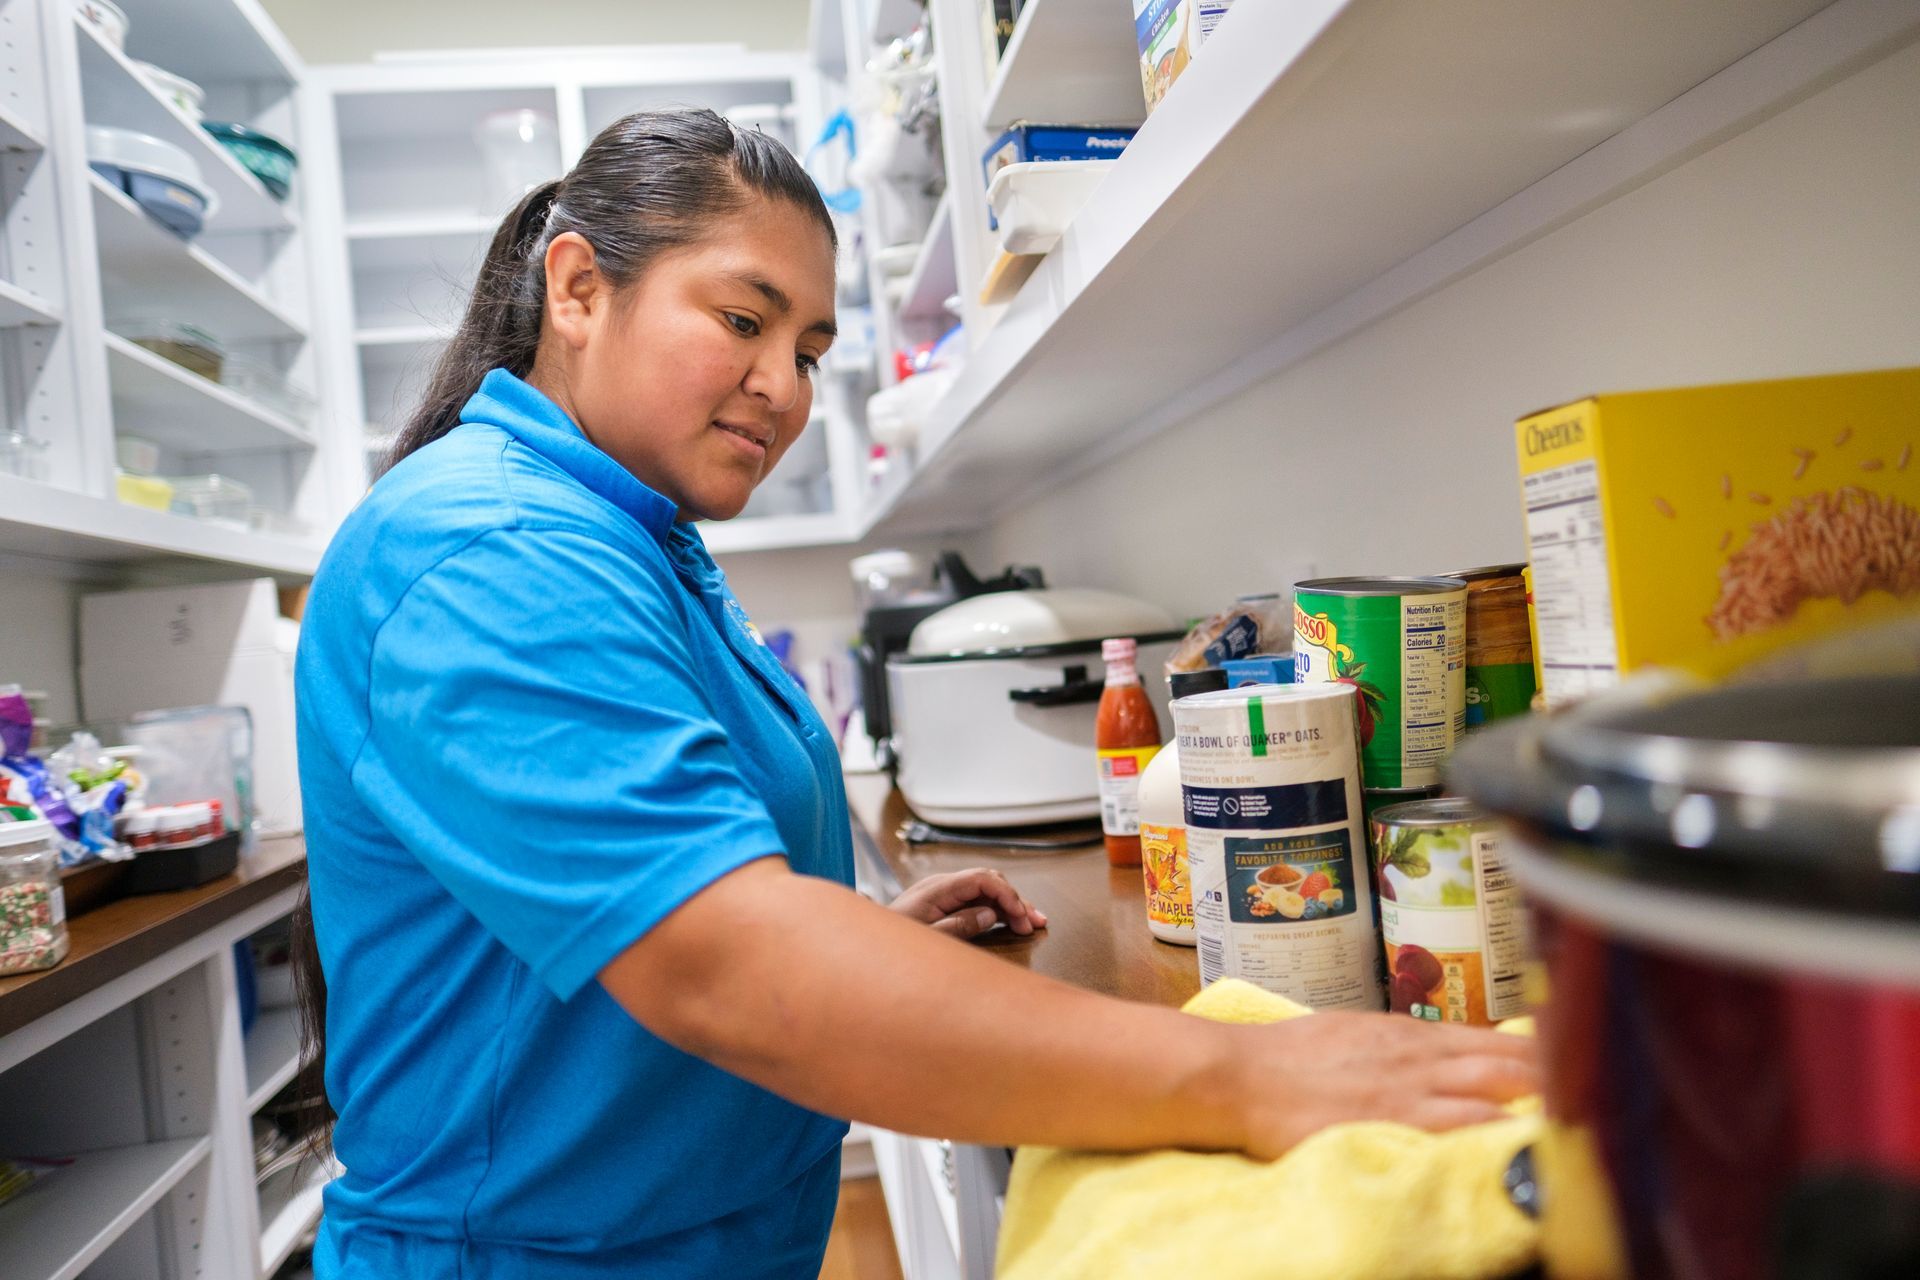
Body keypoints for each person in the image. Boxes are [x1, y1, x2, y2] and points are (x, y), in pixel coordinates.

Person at [292, 109, 1536, 1279]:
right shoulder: (487, 549)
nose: (782, 385)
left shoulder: (621, 533)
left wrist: (855, 943)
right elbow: (717, 967)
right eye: (742, 320)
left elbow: (624, 909)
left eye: (810, 349)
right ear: (577, 289)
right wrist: (1256, 1077)